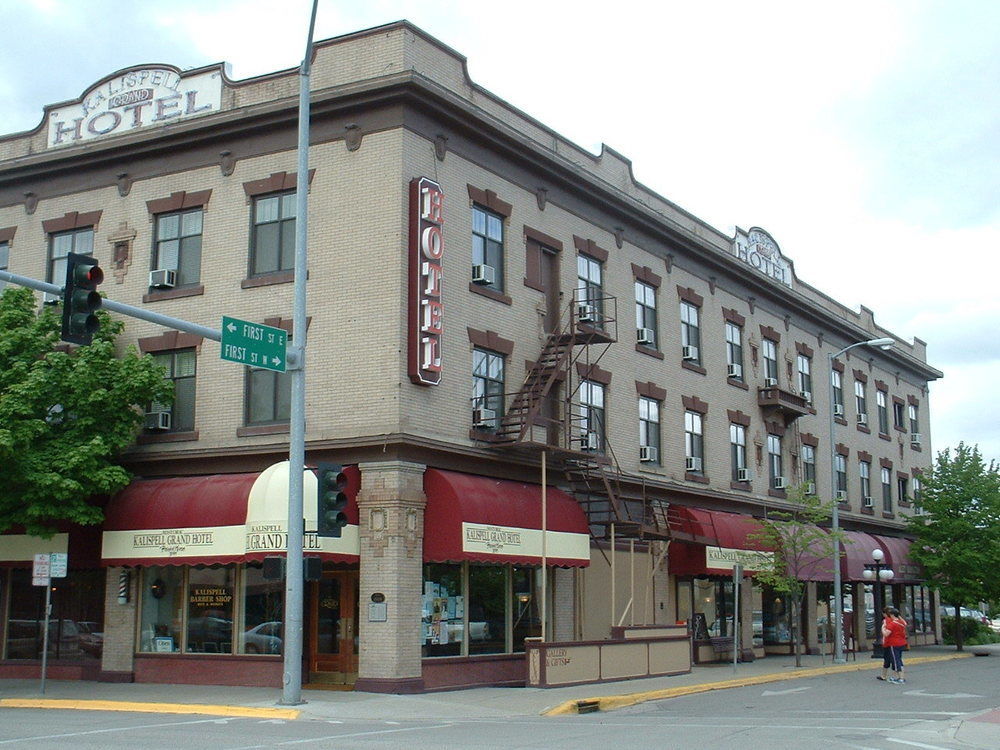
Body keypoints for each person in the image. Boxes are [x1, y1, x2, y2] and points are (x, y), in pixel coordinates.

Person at [877, 606, 908, 684]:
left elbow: (886, 634)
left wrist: (883, 628)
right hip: (901, 642)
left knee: (895, 660)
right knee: (899, 659)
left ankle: (901, 678)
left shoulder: (891, 623)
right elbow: (905, 623)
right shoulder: (901, 623)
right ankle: (899, 677)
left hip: (893, 643)